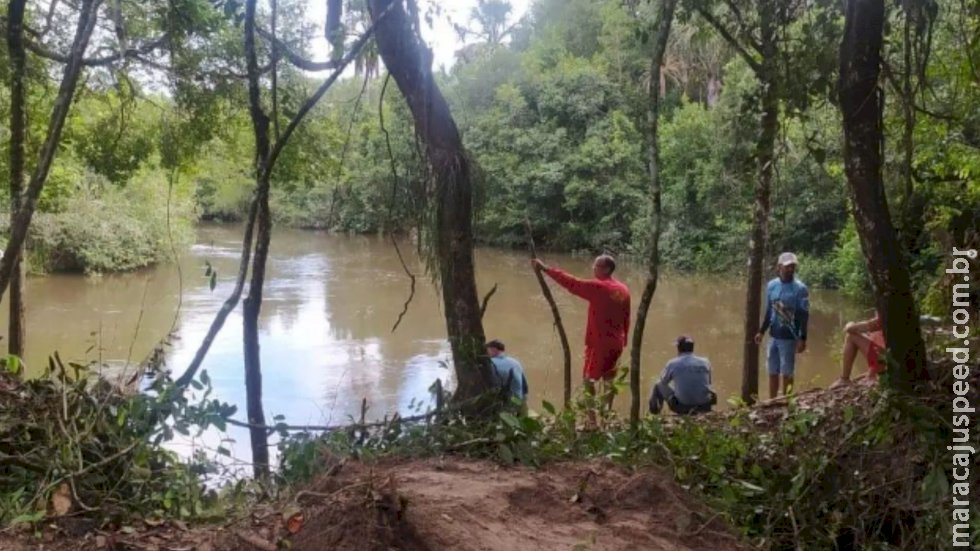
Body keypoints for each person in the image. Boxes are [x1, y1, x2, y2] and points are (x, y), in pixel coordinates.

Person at [531, 254, 631, 428]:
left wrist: (545, 269)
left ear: (607, 269)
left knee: (588, 381)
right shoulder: (623, 289)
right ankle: (605, 419)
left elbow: (572, 283)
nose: (593, 268)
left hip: (599, 343)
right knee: (609, 382)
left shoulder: (599, 287)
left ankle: (592, 422)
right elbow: (626, 317)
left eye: (597, 266)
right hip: (616, 343)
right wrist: (625, 340)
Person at [754, 252, 809, 399]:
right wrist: (761, 331)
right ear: (779, 267)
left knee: (787, 372)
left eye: (792, 266)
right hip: (774, 335)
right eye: (787, 266)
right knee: (772, 371)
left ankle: (787, 401)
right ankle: (772, 400)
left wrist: (803, 338)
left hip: (790, 337)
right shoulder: (772, 285)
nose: (790, 269)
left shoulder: (800, 289)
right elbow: (769, 310)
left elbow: (804, 314)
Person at [649, 336, 717, 415]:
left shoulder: (673, 363)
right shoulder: (705, 362)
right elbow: (709, 383)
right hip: (705, 406)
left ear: (678, 348)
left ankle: (655, 414)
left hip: (683, 407)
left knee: (658, 384)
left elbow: (663, 381)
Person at [830, 311, 884, 388]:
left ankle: (844, 379)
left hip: (884, 362)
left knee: (851, 336)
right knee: (865, 336)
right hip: (889, 361)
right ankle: (873, 372)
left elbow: (850, 329)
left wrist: (850, 324)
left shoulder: (883, 317)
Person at [486, 339, 528, 405]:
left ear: (493, 350)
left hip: (503, 403)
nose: (486, 353)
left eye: (487, 350)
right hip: (518, 401)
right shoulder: (516, 362)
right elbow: (525, 388)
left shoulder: (490, 363)